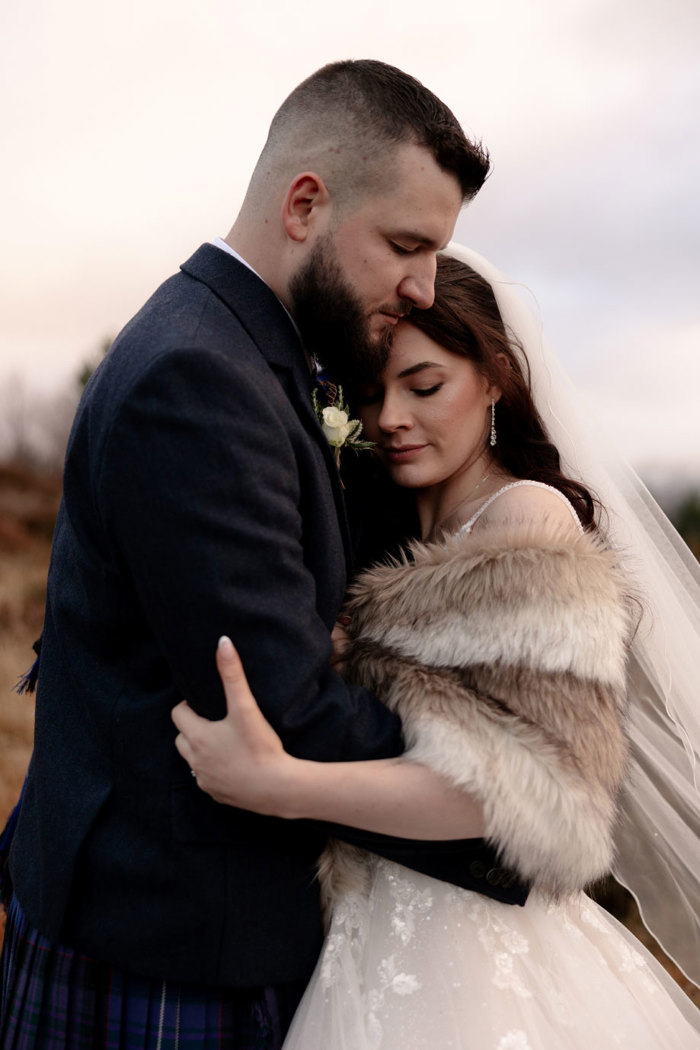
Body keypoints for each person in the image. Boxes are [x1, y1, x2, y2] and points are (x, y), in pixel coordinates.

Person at [0, 64, 531, 1049]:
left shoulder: (247, 348)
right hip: (171, 934)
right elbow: (281, 707)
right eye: (406, 245)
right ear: (304, 205)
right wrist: (502, 796)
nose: (423, 285)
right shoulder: (201, 377)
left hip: (175, 907)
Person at [173, 248, 700, 1048]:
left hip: (476, 964)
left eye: (424, 387)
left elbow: (525, 797)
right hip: (356, 933)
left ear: (493, 378)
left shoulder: (527, 520)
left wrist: (280, 784)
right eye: (371, 391)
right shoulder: (375, 532)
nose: (389, 418)